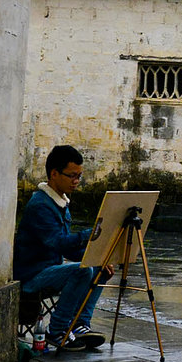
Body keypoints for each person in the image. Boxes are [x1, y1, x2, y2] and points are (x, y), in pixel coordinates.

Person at [14, 145, 113, 351]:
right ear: (54, 174)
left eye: (79, 176)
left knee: (98, 269)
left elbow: (67, 249)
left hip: (50, 269)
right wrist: (89, 235)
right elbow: (58, 242)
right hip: (32, 275)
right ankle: (57, 331)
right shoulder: (41, 205)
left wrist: (97, 258)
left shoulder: (59, 202)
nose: (76, 181)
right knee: (82, 270)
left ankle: (79, 325)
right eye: (72, 176)